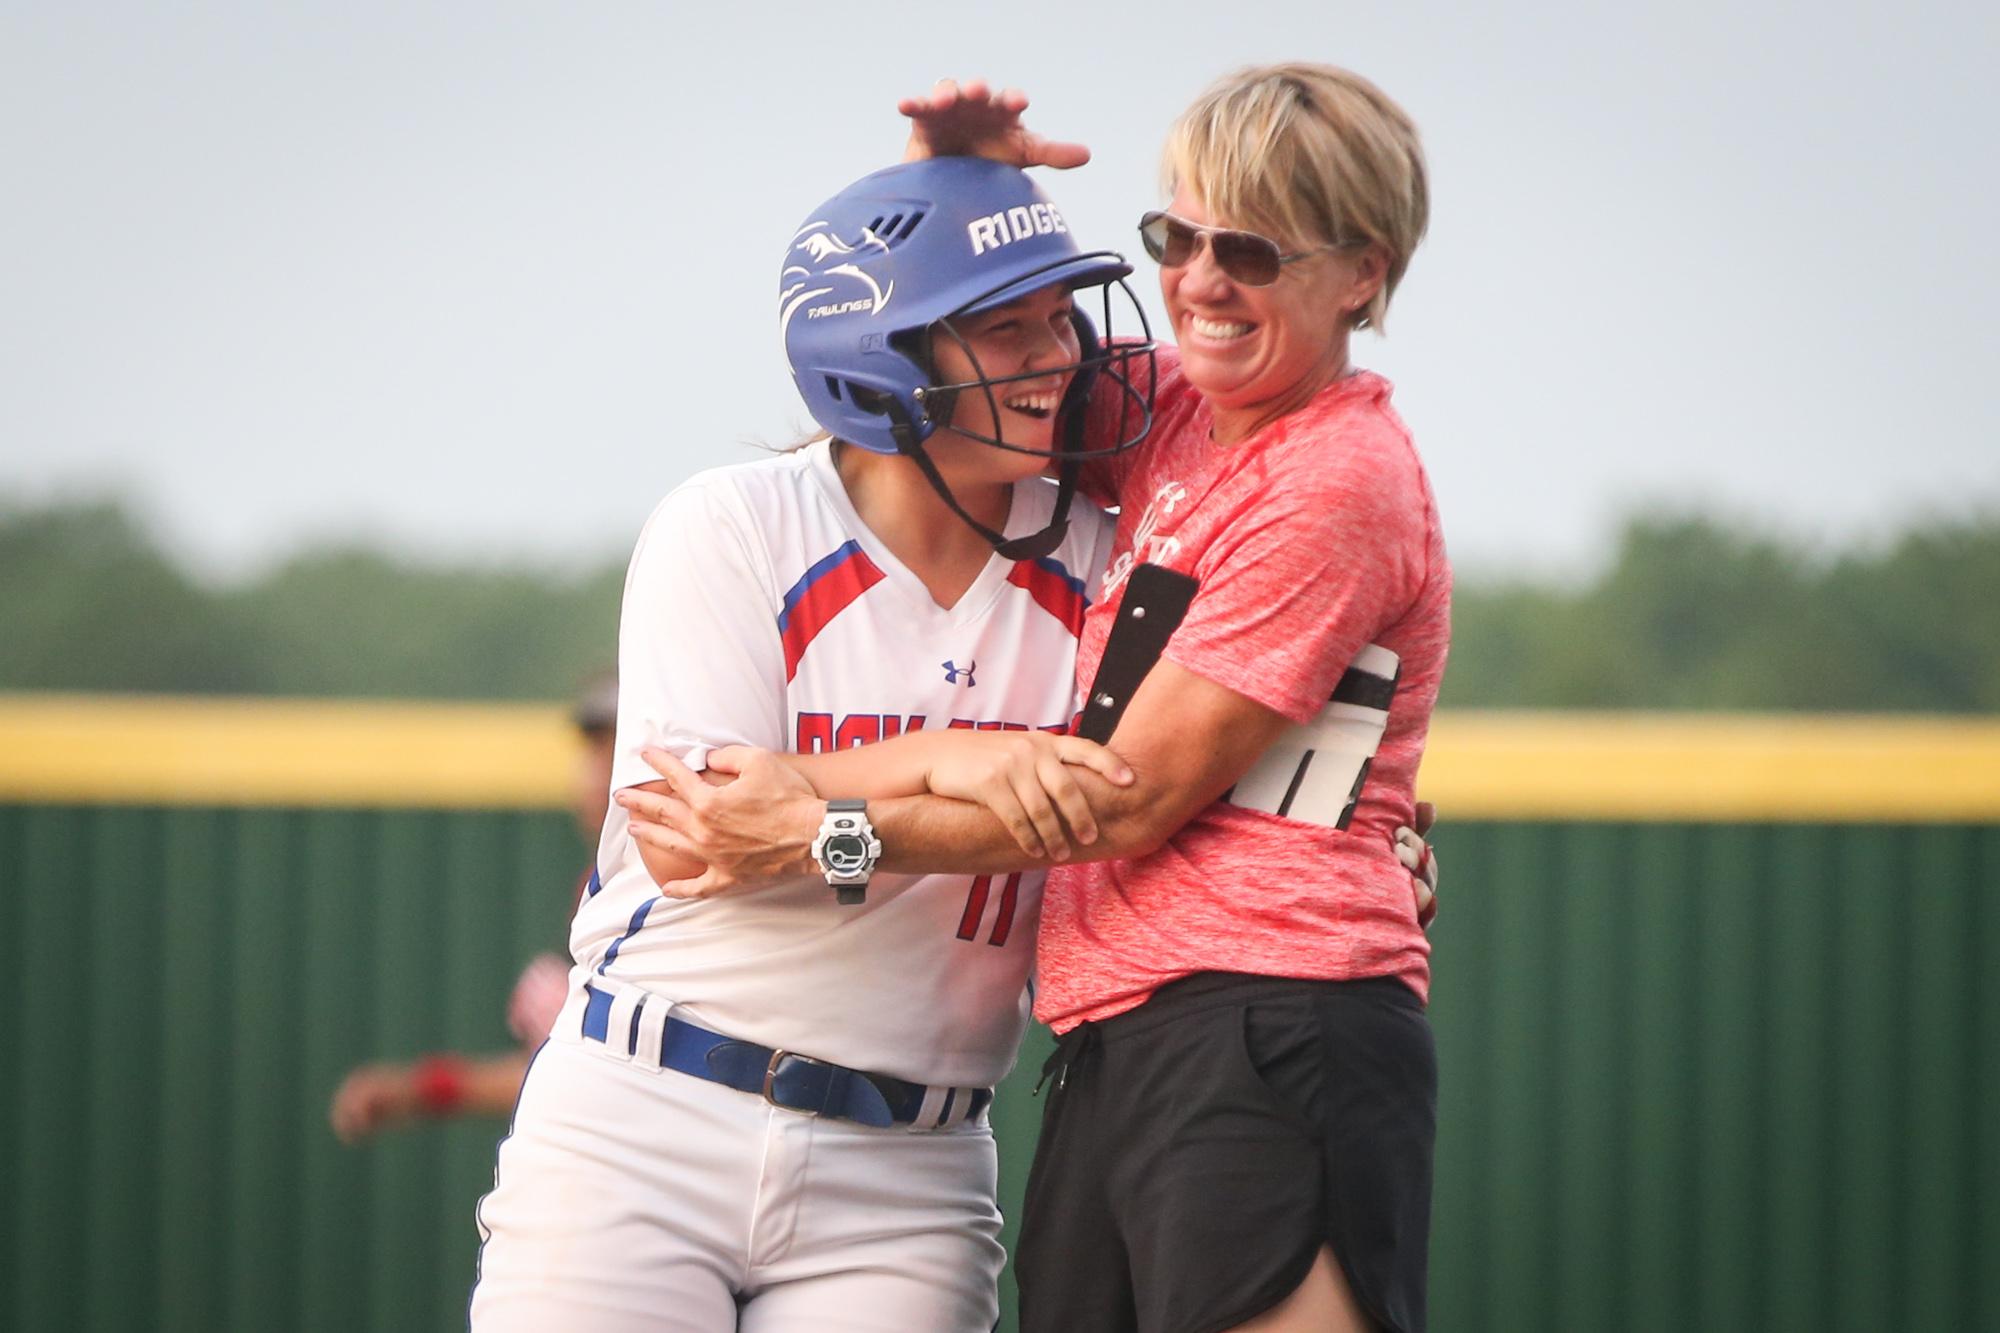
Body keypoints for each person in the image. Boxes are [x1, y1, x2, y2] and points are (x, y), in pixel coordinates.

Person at [622, 64, 1446, 1333]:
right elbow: (945, 361)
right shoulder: (1180, 407)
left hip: (1270, 1019)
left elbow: (1121, 803)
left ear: (1362, 275)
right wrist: (942, 195)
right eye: (1176, 238)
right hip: (1126, 1027)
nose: (1199, 284)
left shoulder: (1331, 474)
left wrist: (815, 827)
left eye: (1253, 250)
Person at [467, 156, 1159, 1332]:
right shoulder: (736, 522)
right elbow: (694, 844)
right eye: (1004, 328)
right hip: (648, 1112)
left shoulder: (1107, 556)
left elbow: (776, 831)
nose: (1060, 357)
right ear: (879, 360)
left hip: (910, 1166)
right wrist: (951, 759)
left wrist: (1351, 829)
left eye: (1062, 317)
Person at [327, 673, 617, 1143]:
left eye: (615, 753)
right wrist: (423, 1089)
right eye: (594, 754)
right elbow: (571, 1069)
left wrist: (423, 1090)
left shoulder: (681, 892)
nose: (594, 776)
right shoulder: (599, 885)